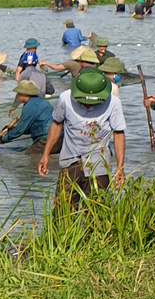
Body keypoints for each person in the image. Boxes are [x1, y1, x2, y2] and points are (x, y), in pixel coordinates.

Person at [38, 66, 126, 201]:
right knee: (63, 210)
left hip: (99, 165)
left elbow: (118, 133)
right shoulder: (65, 99)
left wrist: (120, 167)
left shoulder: (113, 103)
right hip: (70, 162)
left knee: (95, 213)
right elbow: (56, 124)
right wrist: (45, 155)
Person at [0, 80, 53, 150]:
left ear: (23, 94)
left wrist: (1, 139)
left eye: (18, 93)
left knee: (30, 157)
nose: (17, 95)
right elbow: (30, 127)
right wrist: (12, 129)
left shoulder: (29, 106)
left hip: (46, 138)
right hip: (56, 135)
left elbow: (19, 130)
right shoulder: (42, 102)